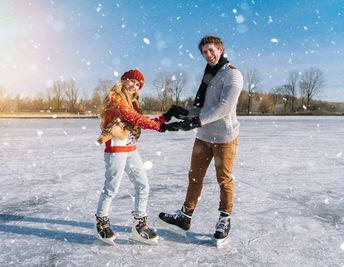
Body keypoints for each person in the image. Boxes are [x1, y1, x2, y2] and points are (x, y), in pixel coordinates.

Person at [157, 35, 243, 241]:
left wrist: (196, 121)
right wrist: (184, 113)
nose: (208, 55)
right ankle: (185, 217)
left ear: (221, 50)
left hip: (224, 137)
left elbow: (224, 108)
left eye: (211, 50)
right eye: (204, 52)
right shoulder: (208, 75)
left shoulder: (233, 75)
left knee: (224, 179)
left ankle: (225, 217)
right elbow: (201, 107)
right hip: (203, 137)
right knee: (194, 177)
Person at [94, 69, 188, 245]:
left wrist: (166, 117)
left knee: (143, 185)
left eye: (138, 85)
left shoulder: (132, 103)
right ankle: (100, 223)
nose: (134, 86)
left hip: (130, 148)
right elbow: (135, 119)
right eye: (132, 81)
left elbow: (141, 120)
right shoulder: (115, 100)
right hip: (115, 148)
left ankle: (139, 226)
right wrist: (162, 128)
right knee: (111, 188)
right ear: (124, 80)